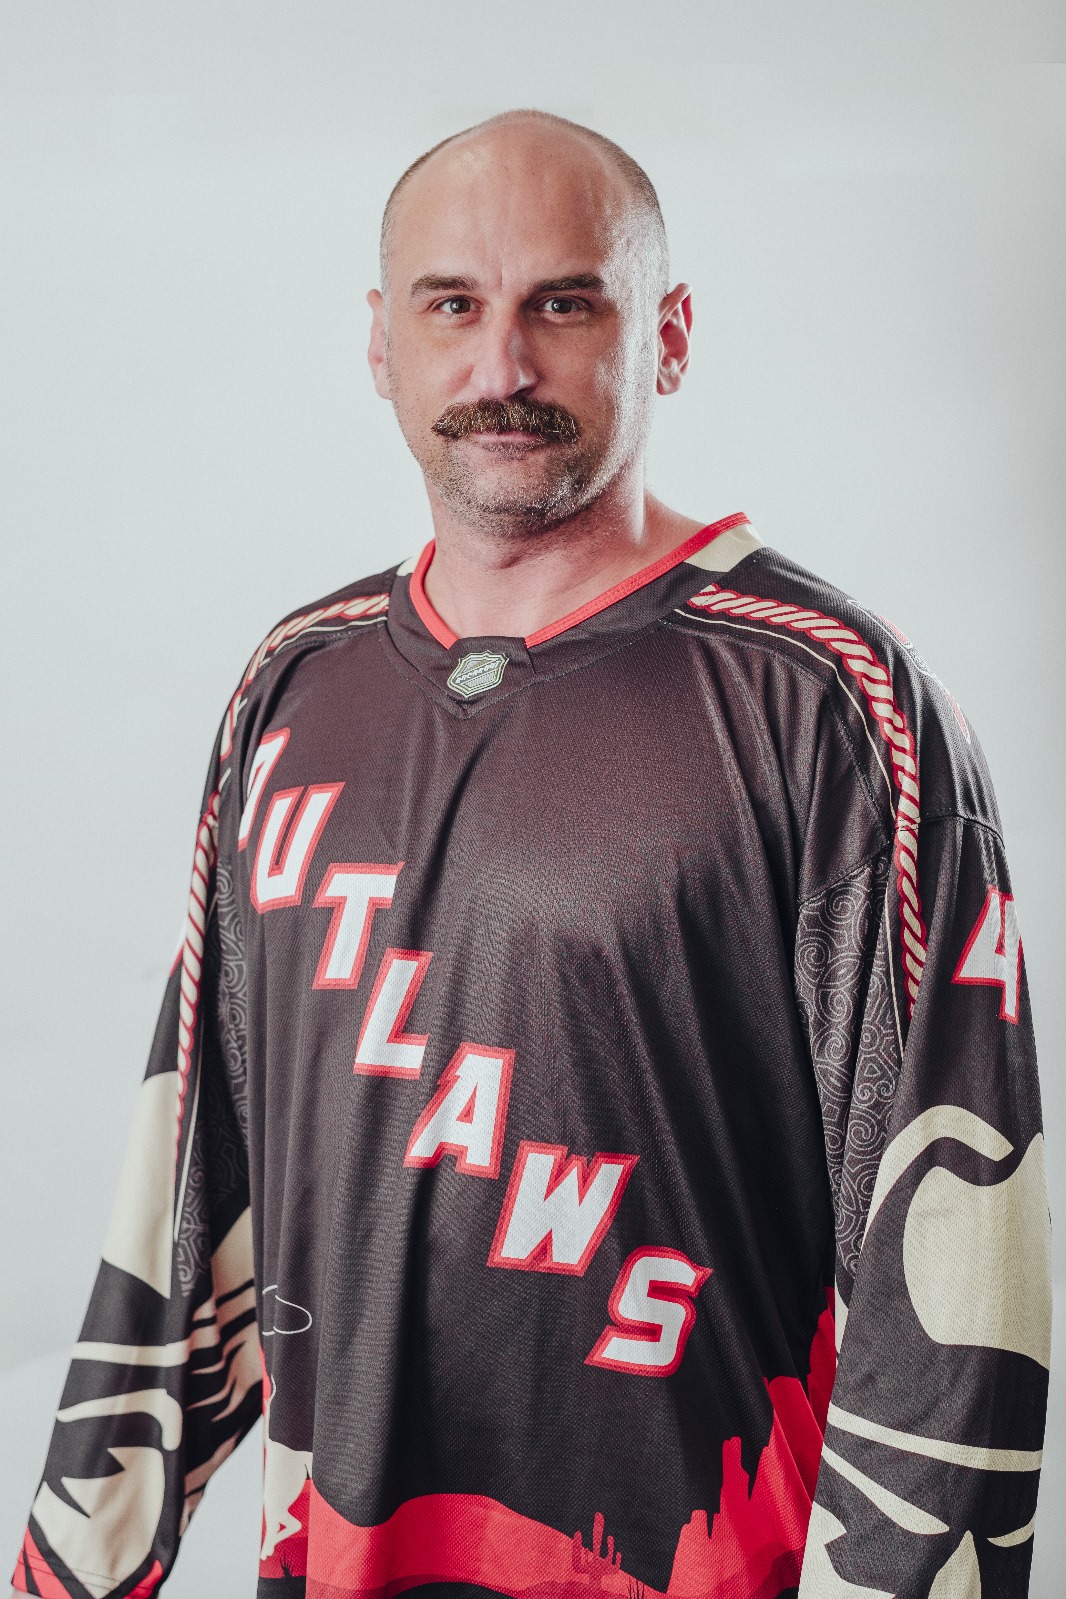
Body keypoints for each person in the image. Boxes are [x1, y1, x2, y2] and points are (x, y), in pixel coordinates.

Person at [11, 110, 1050, 1599]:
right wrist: (79, 1559)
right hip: (342, 1558)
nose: (501, 366)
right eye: (452, 305)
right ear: (382, 342)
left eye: (563, 304)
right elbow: (191, 1151)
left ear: (666, 337)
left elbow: (954, 1255)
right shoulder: (292, 686)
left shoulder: (832, 703)